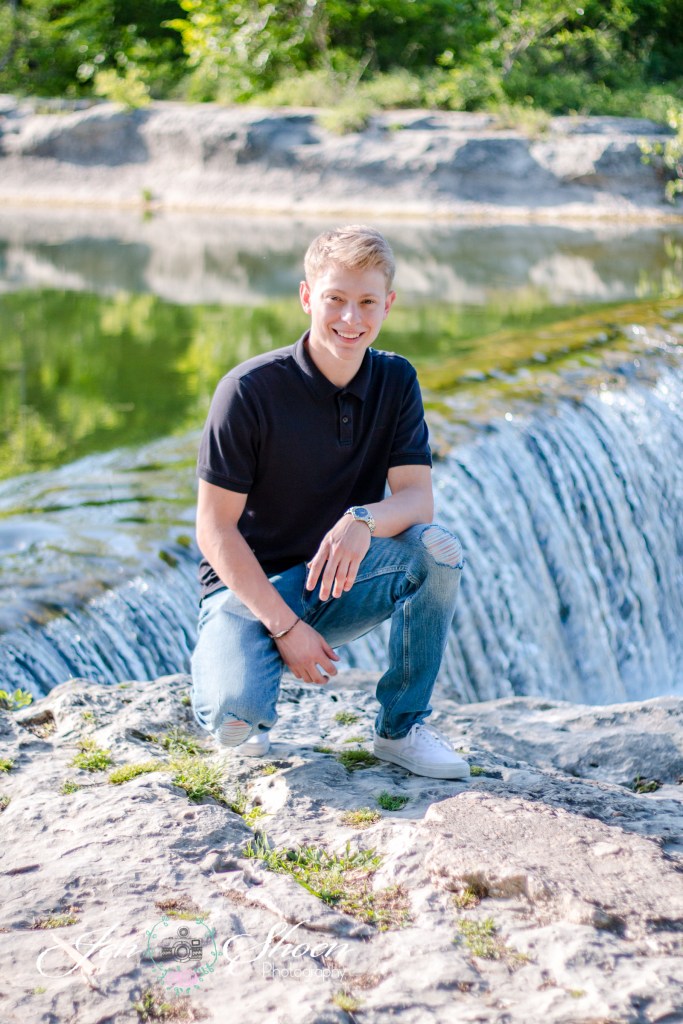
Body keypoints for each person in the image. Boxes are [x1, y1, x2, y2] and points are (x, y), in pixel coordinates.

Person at [190, 225, 469, 780]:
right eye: (335, 299)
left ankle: (400, 729)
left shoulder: (396, 380)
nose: (350, 318)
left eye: (367, 302)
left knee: (436, 550)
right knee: (237, 729)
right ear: (306, 297)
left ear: (388, 304)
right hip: (250, 593)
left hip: (339, 582)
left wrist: (362, 520)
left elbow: (418, 500)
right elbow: (214, 529)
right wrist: (286, 628)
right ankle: (236, 672)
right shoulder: (247, 391)